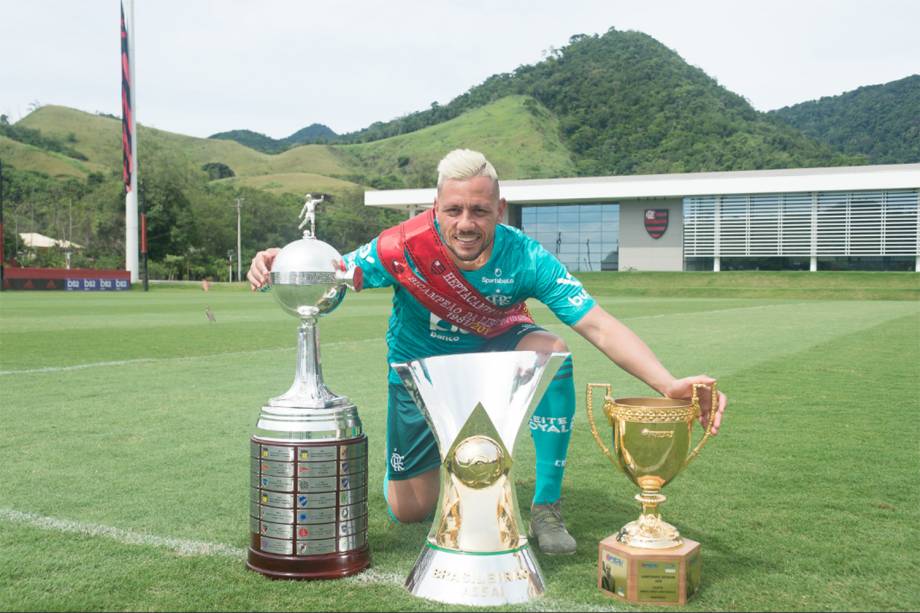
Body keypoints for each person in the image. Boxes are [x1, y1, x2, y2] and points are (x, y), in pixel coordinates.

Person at [247, 149, 727, 555]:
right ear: (435, 206)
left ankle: (546, 507)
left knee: (554, 352)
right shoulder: (399, 247)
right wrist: (283, 262)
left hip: (495, 361)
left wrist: (667, 384)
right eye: (453, 210)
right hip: (420, 375)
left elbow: (597, 324)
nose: (466, 223)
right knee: (410, 512)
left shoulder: (525, 256)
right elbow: (329, 280)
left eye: (479, 210)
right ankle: (440, 457)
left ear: (499, 208)